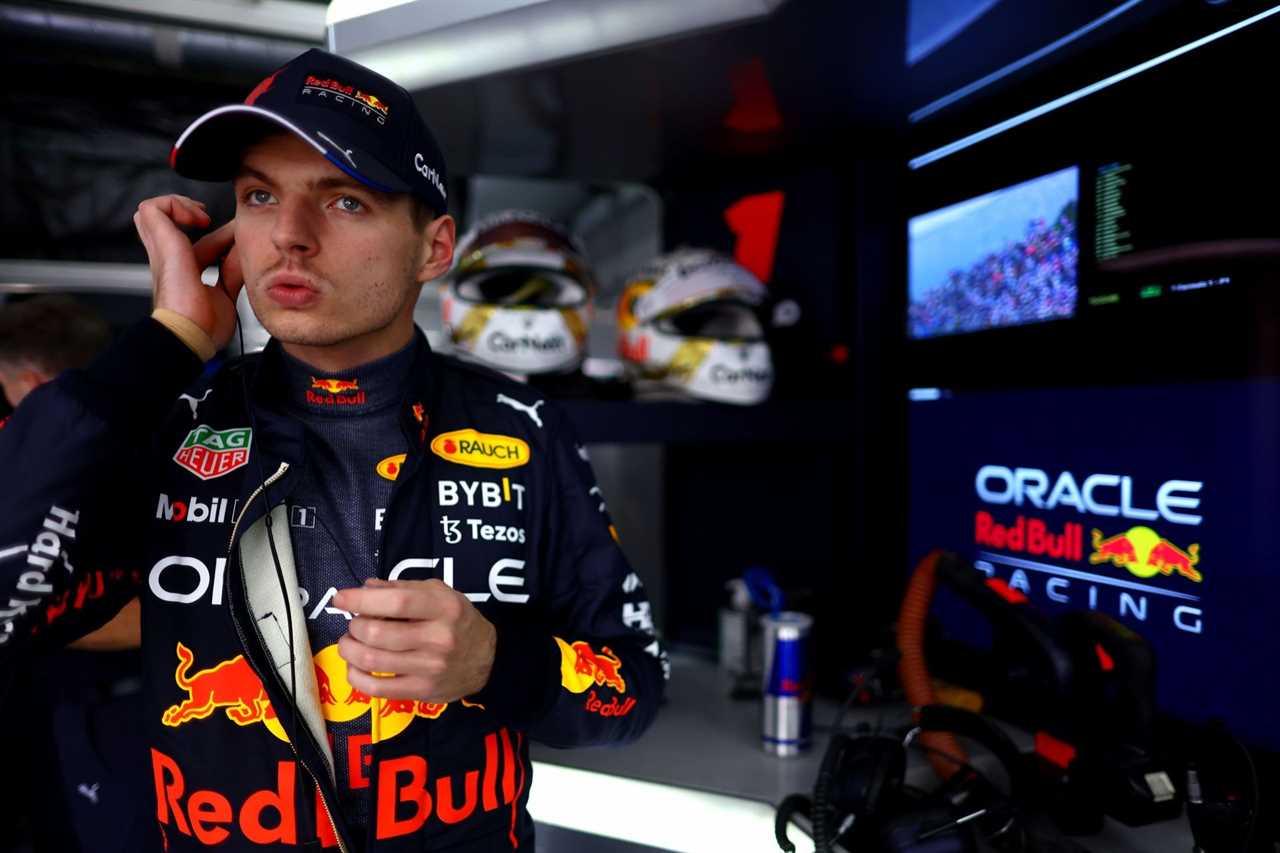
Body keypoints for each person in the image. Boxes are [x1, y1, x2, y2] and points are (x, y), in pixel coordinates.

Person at [0, 49, 667, 852]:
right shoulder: (172, 423)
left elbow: (632, 687)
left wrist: (497, 662)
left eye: (344, 200)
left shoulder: (520, 424)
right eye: (257, 196)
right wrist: (165, 342)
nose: (287, 234)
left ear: (433, 246)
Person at [0, 295, 156, 852]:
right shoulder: (159, 425)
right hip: (73, 704)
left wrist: (28, 621)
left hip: (123, 705)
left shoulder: (152, 441)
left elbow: (166, 614)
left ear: (32, 381)